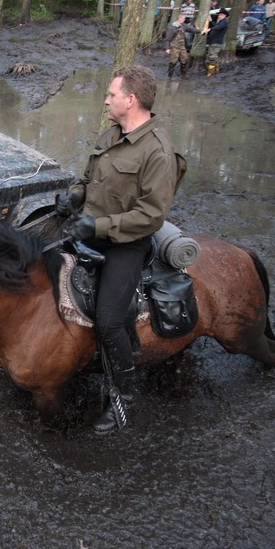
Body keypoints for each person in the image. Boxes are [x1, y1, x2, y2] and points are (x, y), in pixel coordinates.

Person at [55, 66, 184, 434]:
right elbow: (87, 178)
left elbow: (152, 216)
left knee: (110, 321)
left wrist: (97, 227)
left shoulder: (158, 151)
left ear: (131, 100)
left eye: (112, 94)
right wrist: (74, 196)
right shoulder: (110, 134)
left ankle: (123, 398)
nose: (106, 99)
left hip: (126, 244)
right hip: (89, 228)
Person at [165, 13, 200, 77]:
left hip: (182, 47)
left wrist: (200, 31)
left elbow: (191, 29)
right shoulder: (172, 28)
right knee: (173, 62)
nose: (184, 20)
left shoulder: (184, 26)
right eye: (184, 18)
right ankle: (169, 76)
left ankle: (183, 75)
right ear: (180, 19)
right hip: (174, 47)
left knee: (185, 60)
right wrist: (167, 48)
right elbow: (168, 39)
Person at [202, 7, 229, 76]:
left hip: (217, 42)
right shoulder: (220, 22)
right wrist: (211, 21)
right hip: (213, 41)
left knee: (212, 58)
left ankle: (211, 72)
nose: (219, 15)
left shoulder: (224, 22)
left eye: (220, 14)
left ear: (224, 15)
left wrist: (209, 29)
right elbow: (216, 26)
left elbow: (218, 27)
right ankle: (216, 70)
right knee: (211, 57)